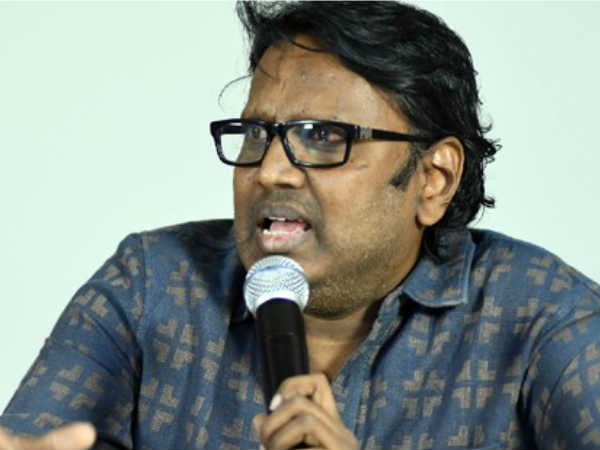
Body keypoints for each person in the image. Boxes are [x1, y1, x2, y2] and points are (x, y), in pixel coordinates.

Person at [2, 1, 600, 449]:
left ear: (433, 179)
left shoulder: (543, 318)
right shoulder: (151, 287)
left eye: (323, 137)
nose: (270, 171)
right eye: (256, 134)